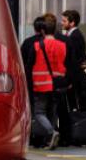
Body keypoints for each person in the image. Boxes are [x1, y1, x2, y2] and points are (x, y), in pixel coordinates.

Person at [22, 15, 67, 149]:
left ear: (42, 31)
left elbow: (29, 67)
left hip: (41, 84)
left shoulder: (37, 46)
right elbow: (65, 64)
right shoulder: (62, 45)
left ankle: (51, 132)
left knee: (39, 112)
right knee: (52, 112)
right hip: (57, 84)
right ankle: (51, 140)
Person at [63, 9, 86, 110]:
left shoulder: (75, 36)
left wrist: (69, 79)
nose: (62, 23)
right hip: (73, 75)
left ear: (72, 23)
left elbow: (74, 59)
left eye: (64, 21)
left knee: (74, 105)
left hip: (74, 77)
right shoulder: (71, 35)